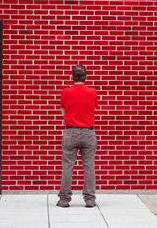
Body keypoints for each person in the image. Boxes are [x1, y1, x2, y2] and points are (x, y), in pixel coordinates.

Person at [57, 65, 98, 208]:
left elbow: (63, 111)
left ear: (72, 76)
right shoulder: (93, 92)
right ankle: (90, 199)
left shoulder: (65, 91)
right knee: (89, 166)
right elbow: (92, 109)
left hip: (70, 131)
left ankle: (64, 199)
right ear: (85, 76)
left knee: (68, 166)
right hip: (88, 132)